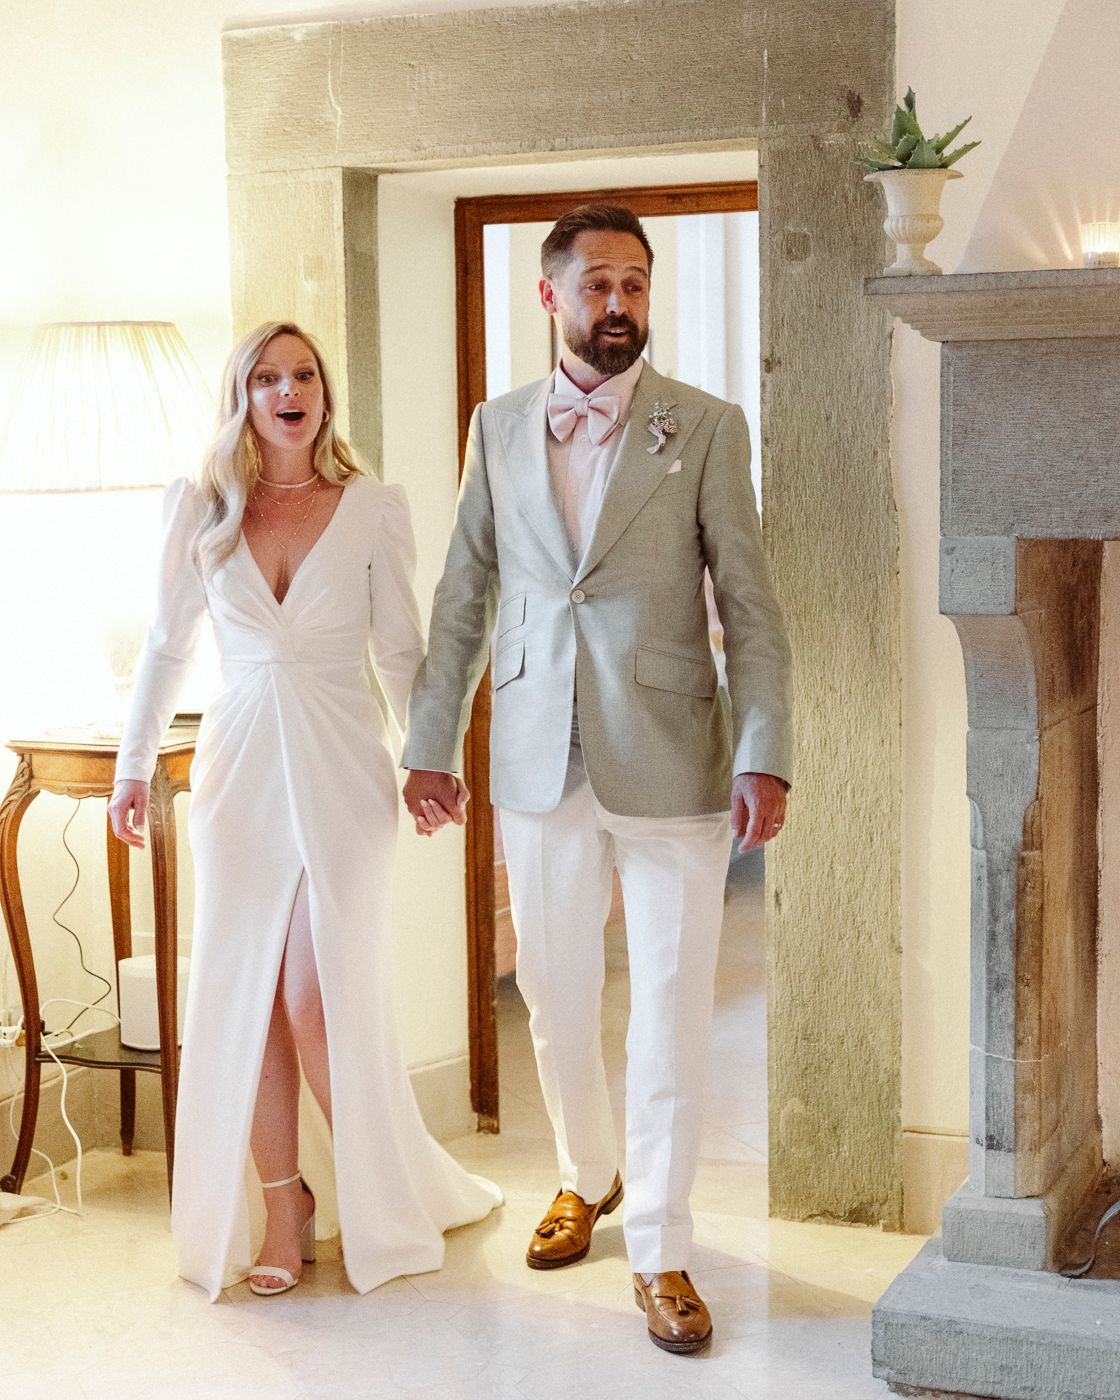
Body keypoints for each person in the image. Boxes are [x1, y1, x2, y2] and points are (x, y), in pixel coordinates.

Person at [402, 205, 792, 1354]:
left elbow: (752, 605)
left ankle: (662, 1245)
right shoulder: (496, 426)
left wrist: (764, 748)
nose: (617, 304)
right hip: (536, 751)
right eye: (596, 285)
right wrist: (430, 738)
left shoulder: (705, 426)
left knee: (668, 1006)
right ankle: (587, 1172)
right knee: (555, 993)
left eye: (634, 284)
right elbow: (463, 594)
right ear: (550, 296)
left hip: (674, 754)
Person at [109, 320, 501, 1301]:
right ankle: (286, 1208)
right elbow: (166, 648)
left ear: (325, 393)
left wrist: (429, 760)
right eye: (268, 378)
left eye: (304, 376)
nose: (289, 392)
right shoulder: (201, 509)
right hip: (238, 775)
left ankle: (378, 1191)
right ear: (242, 398)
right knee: (250, 997)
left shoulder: (371, 507)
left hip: (341, 770)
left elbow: (401, 653)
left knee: (311, 998)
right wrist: (131, 767)